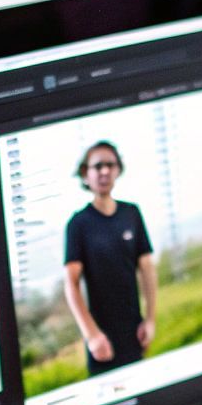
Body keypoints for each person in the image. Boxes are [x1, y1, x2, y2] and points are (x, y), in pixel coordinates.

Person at [63, 141, 158, 374]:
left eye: (110, 165)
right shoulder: (78, 224)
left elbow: (147, 269)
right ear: (86, 173)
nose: (104, 171)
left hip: (133, 331)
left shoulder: (131, 214)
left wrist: (150, 319)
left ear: (118, 170)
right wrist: (92, 335)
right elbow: (71, 284)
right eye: (98, 166)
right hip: (102, 338)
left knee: (139, 403)